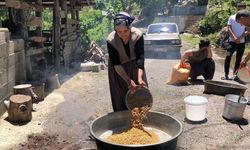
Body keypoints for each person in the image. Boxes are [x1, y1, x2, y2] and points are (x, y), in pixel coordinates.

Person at [107, 12, 147, 112]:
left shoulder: (137, 35)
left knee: (139, 92)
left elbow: (140, 59)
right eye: (119, 32)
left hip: (135, 66)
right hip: (118, 70)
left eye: (125, 31)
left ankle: (140, 119)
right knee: (120, 96)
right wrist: (128, 81)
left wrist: (139, 78)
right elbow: (116, 64)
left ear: (130, 27)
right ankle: (122, 119)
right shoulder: (111, 40)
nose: (122, 34)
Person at [222, 2, 248, 80]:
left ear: (244, 9)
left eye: (241, 8)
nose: (239, 9)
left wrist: (240, 38)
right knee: (228, 56)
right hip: (231, 41)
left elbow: (247, 31)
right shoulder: (232, 17)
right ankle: (226, 74)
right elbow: (229, 28)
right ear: (236, 8)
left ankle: (235, 75)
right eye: (238, 7)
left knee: (238, 59)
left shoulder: (246, 19)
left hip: (241, 42)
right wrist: (234, 38)